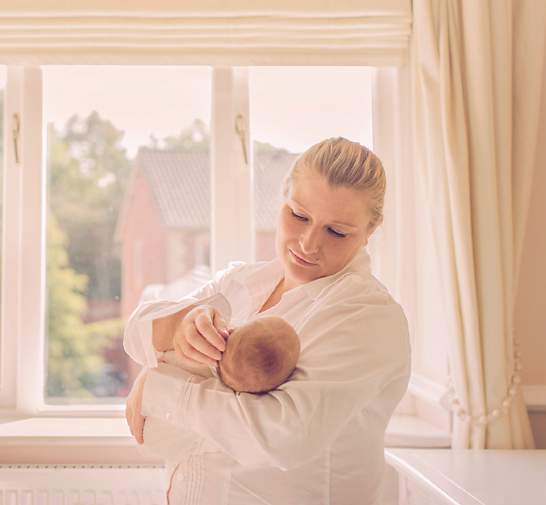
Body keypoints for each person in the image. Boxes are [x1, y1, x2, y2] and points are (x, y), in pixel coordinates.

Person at [124, 137, 411, 505]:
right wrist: (181, 326)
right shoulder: (242, 282)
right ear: (282, 198)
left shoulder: (368, 316)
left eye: (336, 231)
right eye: (299, 215)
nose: (308, 243)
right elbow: (136, 334)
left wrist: (157, 388)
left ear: (370, 230)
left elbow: (282, 437)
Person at [140, 316, 301, 461]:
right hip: (155, 437)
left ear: (229, 332)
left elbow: (151, 349)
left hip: (149, 413)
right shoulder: (230, 406)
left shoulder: (203, 344)